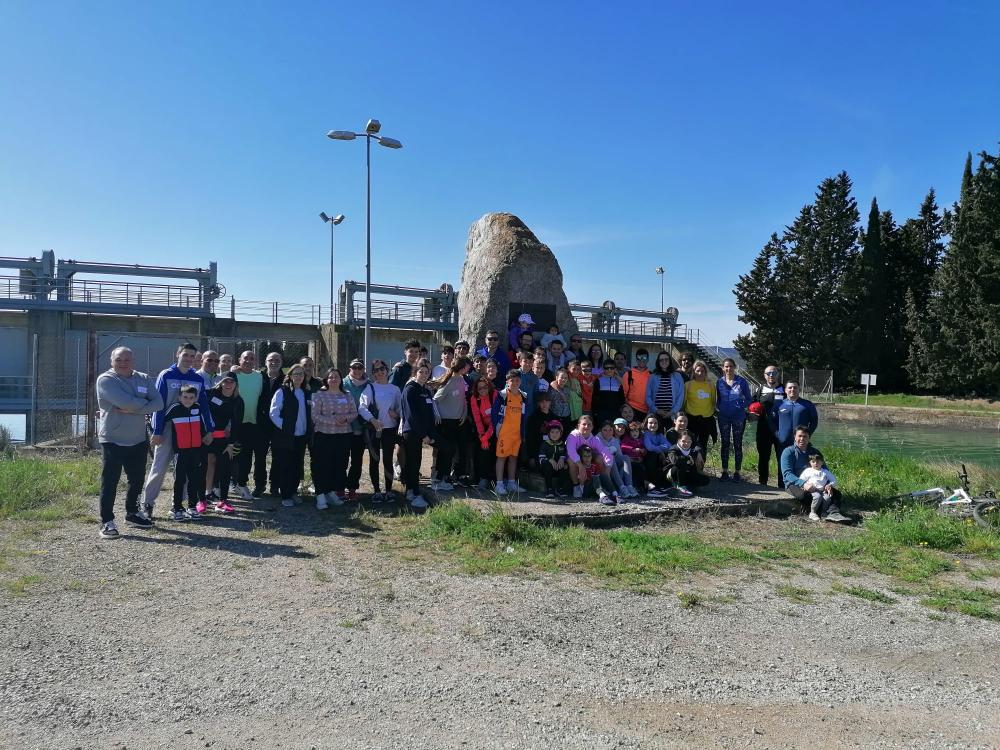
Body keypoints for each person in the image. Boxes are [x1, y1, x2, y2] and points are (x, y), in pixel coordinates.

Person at [96, 346, 164, 538]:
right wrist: (143, 405)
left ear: (133, 361)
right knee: (110, 481)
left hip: (137, 439)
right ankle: (107, 521)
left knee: (137, 479)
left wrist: (134, 407)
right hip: (113, 439)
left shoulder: (143, 378)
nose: (123, 363)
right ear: (112, 361)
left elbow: (159, 403)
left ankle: (132, 513)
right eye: (119, 359)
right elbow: (126, 402)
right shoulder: (106, 380)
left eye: (127, 359)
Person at [141, 343, 215, 519]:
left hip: (189, 429)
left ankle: (179, 505)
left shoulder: (196, 378)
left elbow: (204, 406)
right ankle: (147, 504)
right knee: (159, 467)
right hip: (167, 429)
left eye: (192, 356)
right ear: (178, 354)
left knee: (186, 468)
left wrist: (209, 430)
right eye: (185, 355)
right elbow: (158, 405)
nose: (188, 359)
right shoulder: (166, 375)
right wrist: (157, 431)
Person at [163, 385, 213, 521]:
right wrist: (153, 430)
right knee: (180, 480)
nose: (188, 400)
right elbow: (160, 418)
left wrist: (207, 435)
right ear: (179, 397)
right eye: (185, 397)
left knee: (194, 479)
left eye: (191, 397)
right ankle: (177, 508)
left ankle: (192, 507)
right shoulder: (175, 408)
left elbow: (205, 424)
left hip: (196, 450)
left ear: (195, 398)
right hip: (180, 451)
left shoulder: (198, 408)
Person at [311, 367, 357, 509]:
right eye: (330, 377)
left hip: (343, 436)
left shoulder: (347, 394)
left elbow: (354, 413)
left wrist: (346, 419)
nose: (333, 379)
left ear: (341, 379)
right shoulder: (319, 395)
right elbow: (315, 415)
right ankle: (320, 495)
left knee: (339, 466)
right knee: (322, 466)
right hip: (324, 435)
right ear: (326, 379)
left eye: (336, 376)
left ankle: (331, 492)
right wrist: (333, 421)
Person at [359, 359, 403, 504]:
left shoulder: (395, 389)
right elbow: (362, 407)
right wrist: (373, 420)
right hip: (374, 429)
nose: (380, 372)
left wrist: (396, 415)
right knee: (374, 460)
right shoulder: (370, 387)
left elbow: (400, 409)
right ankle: (377, 491)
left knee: (388, 460)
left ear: (387, 370)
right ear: (373, 374)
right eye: (376, 370)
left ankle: (389, 491)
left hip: (389, 429)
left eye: (382, 369)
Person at [780, 427, 847, 522]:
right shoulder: (788, 452)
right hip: (794, 484)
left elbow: (824, 470)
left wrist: (828, 485)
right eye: (799, 436)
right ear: (794, 437)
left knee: (836, 494)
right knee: (810, 496)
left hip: (817, 484)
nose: (802, 439)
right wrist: (803, 484)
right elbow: (787, 474)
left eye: (805, 436)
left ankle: (833, 513)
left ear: (809, 438)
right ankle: (817, 512)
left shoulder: (815, 452)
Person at [269, 364, 312, 508]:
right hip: (285, 437)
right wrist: (286, 428)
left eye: (301, 374)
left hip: (301, 436)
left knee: (297, 465)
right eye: (296, 374)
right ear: (290, 376)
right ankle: (285, 495)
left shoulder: (306, 393)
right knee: (285, 465)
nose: (299, 376)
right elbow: (273, 413)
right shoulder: (282, 391)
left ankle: (293, 491)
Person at [204, 373, 243, 514]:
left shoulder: (238, 401)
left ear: (236, 384)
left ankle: (223, 499)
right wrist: (205, 433)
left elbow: (237, 424)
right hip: (208, 436)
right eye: (225, 381)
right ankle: (206, 494)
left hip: (224, 439)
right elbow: (203, 413)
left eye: (231, 382)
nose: (228, 384)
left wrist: (231, 444)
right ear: (220, 382)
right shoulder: (210, 394)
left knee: (224, 466)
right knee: (209, 462)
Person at [431, 356, 471, 491]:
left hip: (458, 421)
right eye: (467, 365)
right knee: (446, 450)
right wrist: (437, 414)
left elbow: (463, 398)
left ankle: (446, 477)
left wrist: (464, 412)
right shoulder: (449, 381)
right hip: (446, 421)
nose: (469, 367)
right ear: (462, 367)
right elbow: (435, 400)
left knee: (453, 450)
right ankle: (439, 477)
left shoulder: (462, 379)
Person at [400, 362, 436, 509]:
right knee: (412, 463)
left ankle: (414, 490)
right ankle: (412, 493)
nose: (424, 375)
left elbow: (428, 414)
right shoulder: (410, 389)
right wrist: (423, 435)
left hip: (421, 433)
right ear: (415, 373)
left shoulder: (425, 390)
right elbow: (411, 416)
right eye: (421, 372)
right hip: (411, 432)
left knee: (417, 462)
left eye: (426, 372)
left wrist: (429, 433)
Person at [492, 368, 527, 494]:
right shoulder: (502, 395)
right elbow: (494, 413)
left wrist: (522, 433)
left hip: (516, 434)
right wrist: (497, 429)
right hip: (504, 433)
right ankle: (499, 484)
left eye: (517, 380)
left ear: (520, 381)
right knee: (501, 458)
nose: (515, 383)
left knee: (513, 457)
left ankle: (511, 483)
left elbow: (523, 416)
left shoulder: (523, 396)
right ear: (507, 381)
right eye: (512, 380)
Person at [716, 358, 751, 482]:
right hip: (724, 417)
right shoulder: (719, 382)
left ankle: (737, 472)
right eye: (726, 366)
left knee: (737, 443)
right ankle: (725, 471)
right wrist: (719, 408)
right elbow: (717, 398)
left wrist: (740, 406)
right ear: (723, 368)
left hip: (738, 417)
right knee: (724, 443)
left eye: (731, 366)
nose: (728, 369)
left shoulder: (741, 381)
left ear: (734, 367)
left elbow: (749, 398)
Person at [752, 365, 786, 488]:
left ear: (778, 374)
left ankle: (782, 484)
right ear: (764, 375)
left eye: (774, 373)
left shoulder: (785, 389)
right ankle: (763, 482)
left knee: (782, 457)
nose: (771, 375)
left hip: (781, 429)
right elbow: (752, 406)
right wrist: (751, 414)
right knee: (763, 456)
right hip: (763, 429)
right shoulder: (760, 389)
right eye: (768, 373)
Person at [565, 414, 614, 500]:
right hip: (574, 461)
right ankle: (576, 486)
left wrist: (608, 467)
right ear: (578, 425)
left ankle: (602, 485)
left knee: (600, 458)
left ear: (592, 427)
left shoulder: (594, 439)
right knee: (571, 460)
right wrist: (580, 466)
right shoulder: (573, 436)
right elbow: (571, 452)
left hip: (586, 459)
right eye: (584, 424)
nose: (586, 426)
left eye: (589, 424)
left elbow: (604, 451)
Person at [343, 359, 372, 501]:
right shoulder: (342, 383)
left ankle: (352, 488)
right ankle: (339, 488)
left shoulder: (369, 384)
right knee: (342, 460)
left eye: (360, 367)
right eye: (354, 367)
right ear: (350, 368)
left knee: (356, 460)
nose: (357, 370)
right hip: (344, 428)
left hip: (360, 429)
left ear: (364, 369)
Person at [683, 360, 717, 456]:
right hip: (692, 420)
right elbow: (683, 403)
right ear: (694, 372)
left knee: (703, 445)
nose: (700, 373)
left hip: (706, 420)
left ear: (705, 372)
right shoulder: (688, 385)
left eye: (702, 371)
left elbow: (713, 402)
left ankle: (701, 464)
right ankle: (690, 463)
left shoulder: (711, 385)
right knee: (690, 444)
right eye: (697, 371)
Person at [596, 420, 637, 498]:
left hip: (614, 465)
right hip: (604, 466)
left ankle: (629, 486)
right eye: (605, 430)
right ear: (601, 430)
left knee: (626, 457)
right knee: (612, 457)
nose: (608, 432)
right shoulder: (597, 439)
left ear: (613, 430)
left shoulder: (615, 440)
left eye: (610, 430)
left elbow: (620, 457)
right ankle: (622, 487)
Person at [468, 375, 496, 490]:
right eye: (480, 388)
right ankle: (483, 478)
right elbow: (477, 419)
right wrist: (482, 437)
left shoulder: (494, 395)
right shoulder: (474, 399)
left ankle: (496, 479)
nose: (483, 390)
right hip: (483, 428)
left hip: (496, 426)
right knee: (483, 451)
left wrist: (487, 436)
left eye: (485, 387)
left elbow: (495, 418)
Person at [773, 381, 818, 451]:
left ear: (799, 389)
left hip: (801, 443)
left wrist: (807, 435)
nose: (792, 389)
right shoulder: (779, 405)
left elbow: (814, 422)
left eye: (795, 387)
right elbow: (772, 421)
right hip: (783, 443)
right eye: (790, 387)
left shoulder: (808, 405)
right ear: (785, 390)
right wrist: (778, 434)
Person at [645, 351, 685, 426]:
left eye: (666, 359)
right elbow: (648, 396)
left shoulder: (678, 376)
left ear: (670, 361)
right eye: (661, 360)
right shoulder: (652, 377)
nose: (664, 361)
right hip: (655, 416)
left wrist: (672, 412)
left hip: (672, 416)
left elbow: (680, 396)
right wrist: (656, 410)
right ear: (658, 362)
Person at [666, 430, 710, 494]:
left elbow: (693, 467)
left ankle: (688, 485)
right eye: (683, 441)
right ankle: (681, 485)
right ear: (678, 440)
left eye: (688, 442)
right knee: (682, 462)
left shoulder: (693, 451)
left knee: (705, 480)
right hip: (673, 472)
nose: (686, 444)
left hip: (686, 473)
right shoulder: (673, 449)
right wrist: (688, 458)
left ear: (691, 442)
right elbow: (675, 461)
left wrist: (701, 473)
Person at [641, 415, 674, 497]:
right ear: (646, 424)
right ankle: (652, 487)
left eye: (655, 423)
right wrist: (661, 450)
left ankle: (661, 485)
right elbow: (649, 447)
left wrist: (659, 450)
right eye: (650, 423)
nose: (653, 425)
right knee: (652, 454)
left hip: (656, 458)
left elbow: (669, 446)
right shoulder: (646, 434)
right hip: (646, 458)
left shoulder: (659, 435)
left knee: (665, 458)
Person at [799, 453, 838, 521]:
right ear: (810, 462)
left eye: (818, 462)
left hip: (822, 490)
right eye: (813, 462)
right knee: (817, 496)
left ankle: (823, 512)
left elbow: (834, 480)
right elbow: (801, 479)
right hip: (812, 490)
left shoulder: (825, 472)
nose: (815, 463)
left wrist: (829, 485)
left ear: (822, 462)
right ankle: (813, 512)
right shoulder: (808, 471)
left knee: (827, 498)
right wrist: (804, 485)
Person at [537, 420, 569, 499]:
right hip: (547, 470)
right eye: (552, 432)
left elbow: (564, 454)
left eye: (557, 432)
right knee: (547, 466)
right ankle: (549, 489)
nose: (555, 434)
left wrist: (562, 459)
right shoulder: (545, 444)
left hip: (557, 468)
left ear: (561, 433)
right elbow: (541, 459)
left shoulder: (562, 444)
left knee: (565, 467)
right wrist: (550, 460)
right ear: (548, 433)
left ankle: (560, 488)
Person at [524, 391, 553, 470]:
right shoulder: (533, 418)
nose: (544, 403)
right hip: (538, 450)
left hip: (551, 449)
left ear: (550, 402)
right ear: (538, 403)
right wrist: (531, 457)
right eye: (541, 401)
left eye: (546, 401)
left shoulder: (554, 417)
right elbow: (530, 438)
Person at [621, 348, 651, 423]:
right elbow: (623, 393)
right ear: (636, 359)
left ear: (648, 359)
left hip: (647, 411)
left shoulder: (651, 375)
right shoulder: (628, 374)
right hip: (631, 410)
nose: (642, 360)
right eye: (639, 358)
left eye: (644, 357)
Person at [618, 419, 646, 494]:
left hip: (638, 460)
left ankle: (640, 486)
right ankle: (634, 486)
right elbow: (623, 447)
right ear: (629, 432)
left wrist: (643, 451)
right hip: (629, 460)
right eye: (632, 431)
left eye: (636, 431)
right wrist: (633, 449)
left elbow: (643, 449)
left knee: (641, 469)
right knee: (635, 469)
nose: (635, 433)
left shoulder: (640, 440)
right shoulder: (627, 438)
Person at [592, 361, 624, 427]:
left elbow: (622, 397)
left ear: (615, 369)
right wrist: (595, 412)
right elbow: (594, 397)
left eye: (611, 368)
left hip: (616, 412)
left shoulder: (619, 381)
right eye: (607, 368)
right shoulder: (598, 380)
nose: (609, 370)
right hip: (602, 412)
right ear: (603, 369)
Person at [548, 368, 573, 434]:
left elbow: (566, 400)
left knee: (566, 434)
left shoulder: (567, 390)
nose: (563, 379)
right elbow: (549, 403)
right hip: (555, 415)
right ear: (556, 377)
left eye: (565, 378)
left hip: (566, 416)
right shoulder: (551, 390)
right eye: (561, 377)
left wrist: (560, 391)